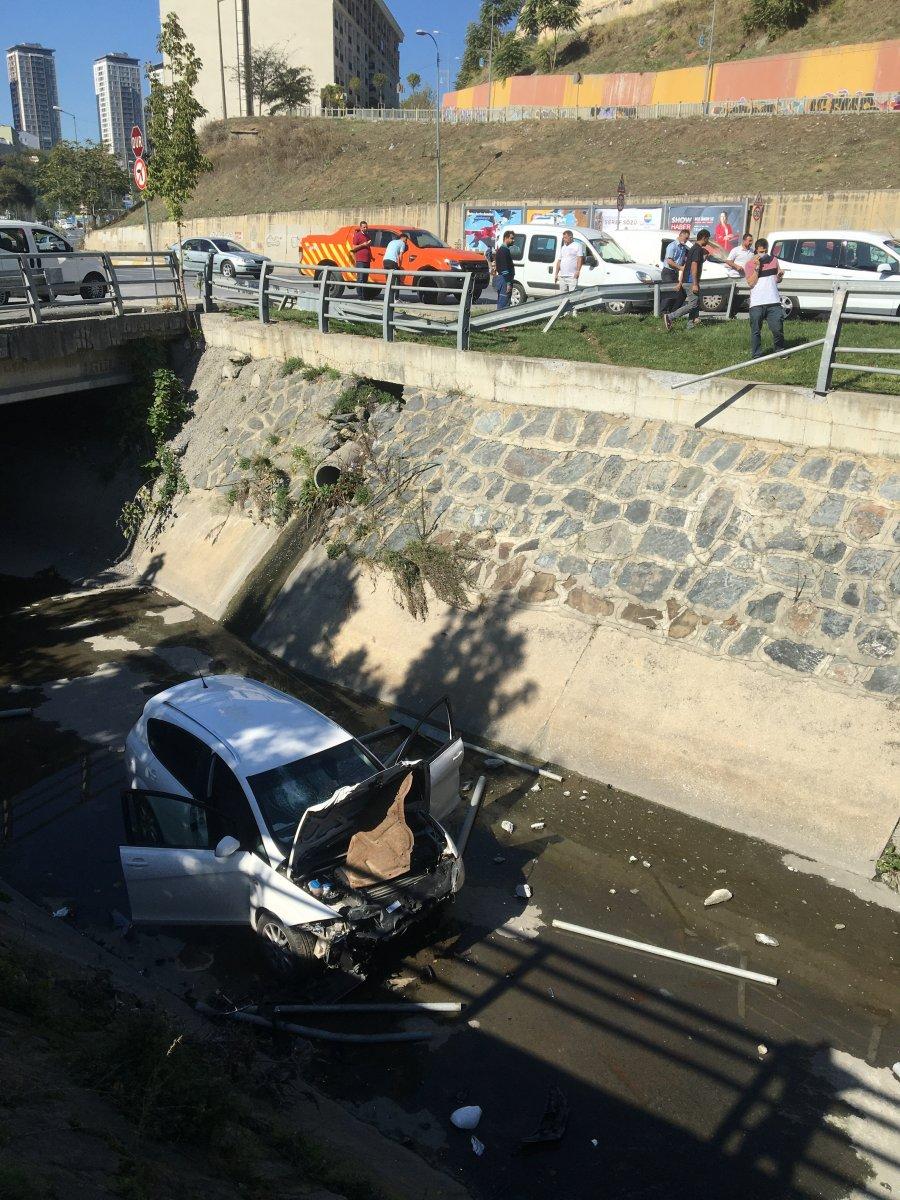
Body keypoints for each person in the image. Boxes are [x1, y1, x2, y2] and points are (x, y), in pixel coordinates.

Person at [744, 237, 786, 359]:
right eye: (761, 252)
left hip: (773, 301)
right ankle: (757, 354)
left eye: (765, 251)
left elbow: (777, 280)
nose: (763, 254)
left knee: (778, 328)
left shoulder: (774, 260)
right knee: (756, 330)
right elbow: (751, 283)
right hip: (757, 303)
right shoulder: (749, 264)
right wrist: (757, 268)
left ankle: (780, 351)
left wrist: (779, 276)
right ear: (756, 251)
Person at [663, 228, 711, 331]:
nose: (708, 241)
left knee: (695, 303)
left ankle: (690, 326)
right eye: (708, 239)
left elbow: (689, 264)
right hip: (690, 281)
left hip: (687, 280)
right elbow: (693, 266)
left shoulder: (693, 248)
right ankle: (670, 316)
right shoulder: (697, 249)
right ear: (704, 238)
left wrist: (704, 258)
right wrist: (694, 283)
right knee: (693, 304)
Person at [660, 228, 689, 315]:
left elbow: (683, 259)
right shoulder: (672, 246)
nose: (686, 240)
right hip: (668, 271)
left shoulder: (683, 248)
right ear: (680, 236)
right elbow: (669, 261)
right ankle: (662, 313)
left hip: (674, 272)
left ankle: (673, 313)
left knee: (680, 294)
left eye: (687, 238)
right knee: (670, 292)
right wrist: (680, 267)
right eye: (685, 238)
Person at [492, 228, 516, 310]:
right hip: (504, 280)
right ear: (506, 238)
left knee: (505, 301)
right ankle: (500, 321)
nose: (513, 240)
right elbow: (504, 268)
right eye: (511, 238)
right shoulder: (503, 251)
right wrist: (508, 283)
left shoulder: (505, 250)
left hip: (504, 279)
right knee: (503, 303)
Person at [351, 220, 373, 298]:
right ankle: (360, 296)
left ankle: (364, 296)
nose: (366, 228)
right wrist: (363, 245)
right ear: (360, 228)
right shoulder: (357, 235)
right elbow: (353, 248)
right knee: (360, 278)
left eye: (366, 227)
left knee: (365, 279)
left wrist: (371, 256)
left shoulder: (368, 236)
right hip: (360, 260)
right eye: (364, 227)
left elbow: (368, 247)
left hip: (367, 260)